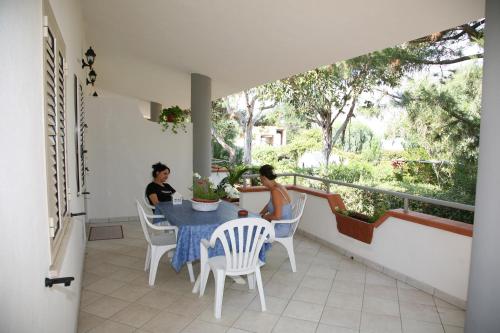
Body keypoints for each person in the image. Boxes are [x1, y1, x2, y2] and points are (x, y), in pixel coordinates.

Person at [258, 164, 293, 237]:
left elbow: (277, 216)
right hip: (279, 225)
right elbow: (269, 205)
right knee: (255, 227)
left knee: (253, 232)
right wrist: (259, 215)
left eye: (260, 178)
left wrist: (265, 217)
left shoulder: (275, 191)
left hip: (281, 229)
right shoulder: (277, 186)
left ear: (264, 177)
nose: (261, 181)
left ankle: (257, 247)